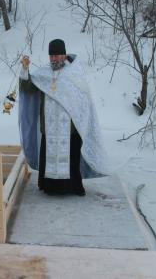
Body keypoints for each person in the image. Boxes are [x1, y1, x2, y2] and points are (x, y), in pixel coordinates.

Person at [18, 39, 108, 196]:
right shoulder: (43, 74)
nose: (53, 59)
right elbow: (28, 87)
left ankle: (74, 187)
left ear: (64, 55)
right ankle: (49, 187)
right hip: (50, 129)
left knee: (71, 159)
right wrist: (25, 69)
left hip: (70, 129)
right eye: (51, 55)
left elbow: (83, 101)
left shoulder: (74, 74)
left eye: (57, 55)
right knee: (50, 158)